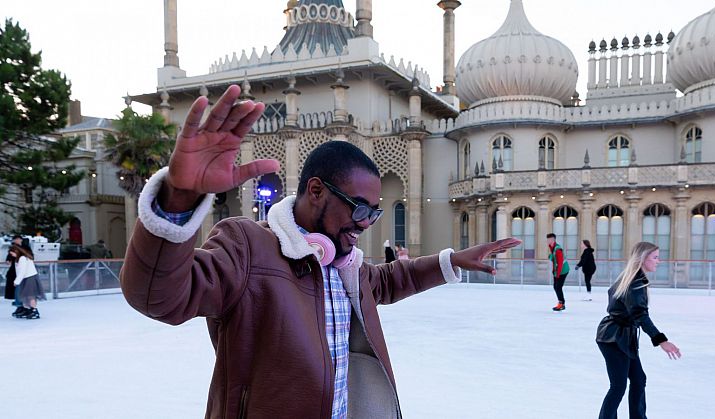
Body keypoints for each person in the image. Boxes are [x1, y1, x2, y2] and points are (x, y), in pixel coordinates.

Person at [119, 85, 522, 418]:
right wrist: (179, 199)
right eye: (360, 209)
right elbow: (158, 297)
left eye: (375, 211)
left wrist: (450, 261)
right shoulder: (247, 247)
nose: (366, 223)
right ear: (316, 191)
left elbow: (388, 279)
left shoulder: (344, 264)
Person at [596, 241, 681, 419]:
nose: (659, 261)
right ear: (643, 259)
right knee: (618, 386)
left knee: (638, 379)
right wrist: (662, 341)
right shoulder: (635, 283)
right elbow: (641, 315)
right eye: (655, 257)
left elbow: (614, 299)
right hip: (614, 338)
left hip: (620, 336)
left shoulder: (631, 278)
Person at [9, 244, 44, 319]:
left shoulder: (23, 258)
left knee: (30, 296)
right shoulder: (18, 259)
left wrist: (16, 281)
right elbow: (19, 271)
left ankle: (34, 310)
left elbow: (22, 271)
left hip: (29, 278)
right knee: (26, 296)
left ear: (16, 251)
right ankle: (28, 309)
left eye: (12, 253)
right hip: (25, 279)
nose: (12, 255)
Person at [5, 235, 33, 317]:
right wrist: (8, 259)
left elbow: (29, 257)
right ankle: (20, 306)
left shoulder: (25, 249)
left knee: (23, 290)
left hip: (23, 271)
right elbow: (10, 257)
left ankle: (27, 307)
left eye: (18, 239)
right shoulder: (13, 248)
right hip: (15, 270)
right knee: (16, 290)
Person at [547, 233, 569, 311]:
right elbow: (553, 258)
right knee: (556, 287)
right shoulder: (552, 247)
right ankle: (561, 303)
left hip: (563, 271)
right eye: (547, 239)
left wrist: (557, 274)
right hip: (557, 270)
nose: (548, 241)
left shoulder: (558, 249)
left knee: (558, 287)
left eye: (549, 239)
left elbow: (560, 263)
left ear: (553, 240)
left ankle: (561, 304)